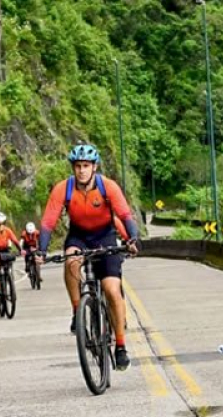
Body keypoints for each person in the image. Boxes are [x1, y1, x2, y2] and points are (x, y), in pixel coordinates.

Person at [36, 143, 141, 371]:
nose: (81, 170)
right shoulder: (63, 189)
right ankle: (77, 311)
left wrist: (132, 239)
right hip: (79, 236)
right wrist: (41, 251)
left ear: (94, 167)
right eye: (78, 166)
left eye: (86, 165)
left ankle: (120, 346)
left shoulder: (108, 186)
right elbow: (48, 222)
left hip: (105, 236)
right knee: (71, 260)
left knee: (112, 289)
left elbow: (125, 214)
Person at [0, 211, 21, 299]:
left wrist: (21, 249)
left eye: (3, 223)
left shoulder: (7, 230)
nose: (1, 226)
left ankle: (9, 278)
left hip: (5, 250)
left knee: (9, 262)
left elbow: (15, 240)